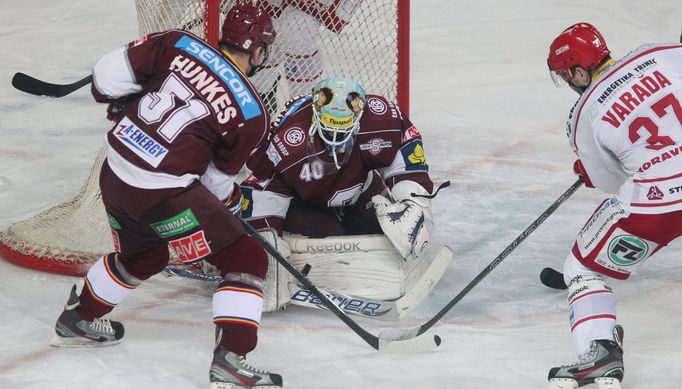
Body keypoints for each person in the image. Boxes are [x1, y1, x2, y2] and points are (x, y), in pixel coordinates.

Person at [49, 3, 283, 388]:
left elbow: (106, 77)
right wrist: (229, 209)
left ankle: (78, 319)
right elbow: (214, 185)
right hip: (161, 193)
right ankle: (231, 360)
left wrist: (124, 99)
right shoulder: (252, 111)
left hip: (116, 175)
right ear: (257, 50)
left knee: (144, 254)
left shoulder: (179, 43)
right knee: (245, 255)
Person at [545, 22, 682, 389]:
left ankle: (600, 353)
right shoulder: (659, 53)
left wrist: (589, 170)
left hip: (660, 206)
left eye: (566, 75)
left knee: (582, 268)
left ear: (578, 70)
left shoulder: (582, 114)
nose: (570, 83)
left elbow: (611, 182)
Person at [235, 76, 438, 309]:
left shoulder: (382, 118)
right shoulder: (289, 142)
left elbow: (407, 153)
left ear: (359, 117)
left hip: (358, 187)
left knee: (384, 230)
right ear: (315, 115)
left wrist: (413, 200)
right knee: (327, 238)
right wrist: (264, 243)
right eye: (328, 131)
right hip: (305, 202)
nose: (335, 141)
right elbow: (264, 186)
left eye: (342, 133)